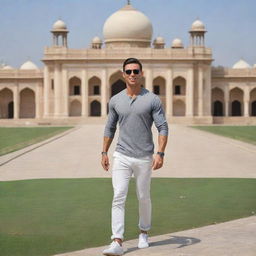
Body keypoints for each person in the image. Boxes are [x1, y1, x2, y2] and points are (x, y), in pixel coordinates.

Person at [101, 58, 168, 256]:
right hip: (121, 154)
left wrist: (160, 153)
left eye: (135, 71)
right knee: (118, 196)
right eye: (128, 71)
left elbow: (162, 126)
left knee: (143, 197)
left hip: (144, 156)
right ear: (123, 74)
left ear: (141, 73)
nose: (132, 74)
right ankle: (117, 241)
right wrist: (104, 151)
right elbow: (110, 127)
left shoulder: (152, 99)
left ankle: (144, 232)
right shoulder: (115, 100)